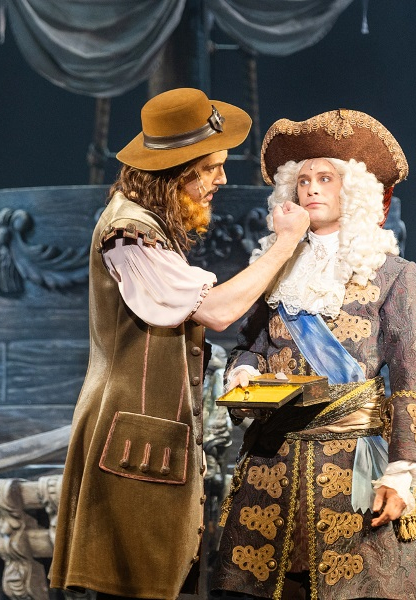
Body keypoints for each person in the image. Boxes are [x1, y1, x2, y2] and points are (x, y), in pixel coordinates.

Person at [49, 88, 309, 600]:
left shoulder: (149, 226)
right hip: (130, 446)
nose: (221, 180)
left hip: (151, 444)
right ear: (172, 172)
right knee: (131, 587)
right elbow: (217, 310)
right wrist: (285, 243)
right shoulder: (128, 233)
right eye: (210, 168)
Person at [211, 109, 416, 599]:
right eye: (303, 181)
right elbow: (248, 346)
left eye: (325, 178)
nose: (311, 189)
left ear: (352, 190)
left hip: (353, 468)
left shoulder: (392, 273)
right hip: (272, 465)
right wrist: (243, 372)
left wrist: (403, 471)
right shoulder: (271, 266)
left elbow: (410, 385)